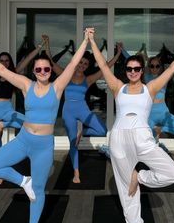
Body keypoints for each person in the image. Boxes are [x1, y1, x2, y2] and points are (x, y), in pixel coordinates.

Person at [0, 31, 91, 223]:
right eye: (38, 69)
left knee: (38, 190)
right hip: (23, 140)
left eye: (46, 69)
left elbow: (73, 63)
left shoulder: (57, 88)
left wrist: (86, 41)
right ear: (34, 71)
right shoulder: (26, 85)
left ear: (50, 71)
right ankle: (23, 181)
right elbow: (1, 69)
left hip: (44, 146)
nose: (42, 72)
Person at [89, 30, 174, 223]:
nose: (133, 71)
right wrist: (90, 41)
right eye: (129, 68)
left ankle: (140, 177)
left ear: (142, 71)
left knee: (173, 173)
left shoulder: (150, 88)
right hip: (119, 138)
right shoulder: (118, 87)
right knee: (125, 187)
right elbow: (102, 65)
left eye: (137, 69)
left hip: (143, 137)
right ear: (125, 70)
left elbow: (172, 68)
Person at [46, 35, 122, 183]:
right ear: (76, 62)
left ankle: (81, 130)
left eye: (85, 63)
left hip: (83, 109)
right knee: (73, 143)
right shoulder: (65, 75)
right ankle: (76, 173)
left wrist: (118, 53)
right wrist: (47, 44)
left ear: (87, 66)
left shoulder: (88, 79)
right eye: (80, 62)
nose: (82, 65)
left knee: (102, 130)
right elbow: (50, 62)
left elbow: (105, 67)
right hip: (68, 111)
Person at [0, 43, 45, 184]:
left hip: (7, 109)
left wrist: (39, 47)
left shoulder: (13, 73)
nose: (4, 62)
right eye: (1, 60)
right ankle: (0, 174)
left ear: (10, 62)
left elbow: (27, 60)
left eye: (6, 60)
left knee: (28, 123)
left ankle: (3, 124)